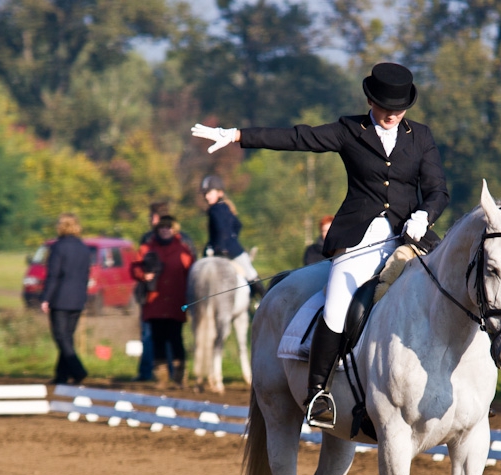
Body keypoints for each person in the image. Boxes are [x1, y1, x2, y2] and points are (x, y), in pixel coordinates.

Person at [191, 62, 448, 428]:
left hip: (410, 235)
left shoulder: (420, 136)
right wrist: (236, 136)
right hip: (360, 237)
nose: (391, 115)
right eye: (384, 107)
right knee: (338, 303)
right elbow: (298, 137)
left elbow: (438, 189)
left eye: (398, 109)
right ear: (370, 101)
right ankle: (317, 392)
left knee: (452, 289)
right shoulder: (349, 130)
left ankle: (466, 389)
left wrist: (425, 214)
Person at [131, 215, 194, 389]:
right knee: (158, 340)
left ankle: (180, 377)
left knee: (176, 339)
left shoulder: (183, 250)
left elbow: (192, 273)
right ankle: (162, 378)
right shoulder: (147, 248)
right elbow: (134, 266)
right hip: (154, 304)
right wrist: (143, 275)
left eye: (168, 228)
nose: (165, 231)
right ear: (157, 231)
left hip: (175, 303)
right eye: (162, 228)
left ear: (174, 230)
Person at [39, 213, 91, 385]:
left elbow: (53, 275)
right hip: (78, 299)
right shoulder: (84, 248)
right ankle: (61, 375)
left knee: (61, 337)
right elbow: (85, 275)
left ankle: (78, 370)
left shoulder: (58, 248)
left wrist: (46, 298)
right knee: (67, 336)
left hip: (60, 299)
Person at [199, 175, 265, 297]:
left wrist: (218, 246)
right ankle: (263, 298)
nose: (206, 196)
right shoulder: (226, 208)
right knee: (251, 274)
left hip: (222, 250)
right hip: (233, 250)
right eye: (205, 193)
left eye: (209, 193)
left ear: (220, 192)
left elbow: (220, 230)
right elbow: (237, 225)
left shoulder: (214, 210)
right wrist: (231, 239)